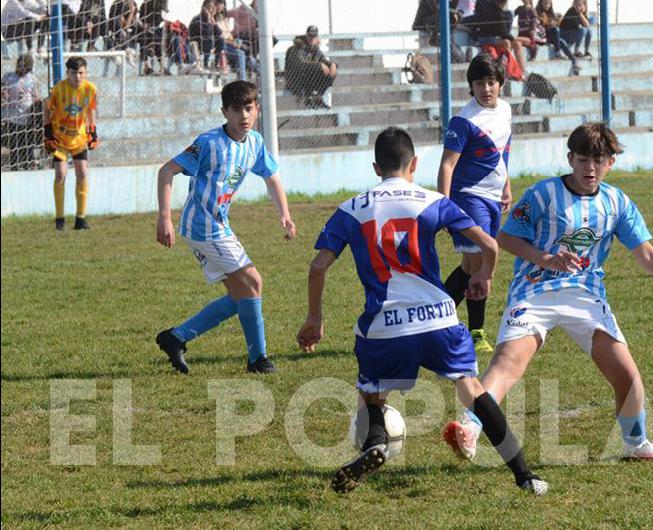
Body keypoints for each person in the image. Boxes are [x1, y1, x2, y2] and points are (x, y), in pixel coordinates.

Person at [444, 123, 653, 463]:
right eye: (583, 159)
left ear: (611, 161)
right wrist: (546, 259)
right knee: (509, 362)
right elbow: (506, 238)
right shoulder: (542, 194)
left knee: (626, 374)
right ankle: (470, 427)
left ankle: (635, 443)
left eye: (599, 160)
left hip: (585, 296)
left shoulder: (616, 203)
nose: (590, 168)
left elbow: (646, 254)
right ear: (570, 158)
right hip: (535, 291)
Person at [296, 126, 549, 495]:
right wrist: (482, 276)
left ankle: (375, 444)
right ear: (414, 164)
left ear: (375, 167)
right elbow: (489, 245)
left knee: (371, 396)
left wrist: (314, 319)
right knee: (472, 390)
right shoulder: (432, 201)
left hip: (384, 325)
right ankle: (525, 475)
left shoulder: (350, 209)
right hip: (438, 320)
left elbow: (318, 267)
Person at [154, 80, 296, 375]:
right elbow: (167, 170)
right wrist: (164, 217)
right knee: (253, 282)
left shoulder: (255, 142)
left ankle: (176, 337)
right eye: (235, 110)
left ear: (257, 109)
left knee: (241, 295)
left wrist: (284, 213)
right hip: (203, 227)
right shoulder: (209, 143)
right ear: (224, 112)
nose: (243, 116)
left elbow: (272, 177)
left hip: (218, 225)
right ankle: (258, 359)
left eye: (248, 109)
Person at [438, 53, 512, 356]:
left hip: (493, 197)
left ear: (500, 83)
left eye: (491, 82)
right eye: (479, 83)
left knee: (471, 266)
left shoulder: (505, 110)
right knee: (481, 261)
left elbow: (503, 150)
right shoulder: (464, 120)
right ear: (471, 86)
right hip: (467, 195)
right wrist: (443, 207)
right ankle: (475, 331)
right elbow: (447, 165)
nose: (486, 88)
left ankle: (434, 320)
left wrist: (506, 184)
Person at [44, 56, 98, 231]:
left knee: (82, 173)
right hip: (60, 139)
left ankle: (80, 219)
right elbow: (46, 110)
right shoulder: (58, 90)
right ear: (67, 73)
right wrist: (47, 133)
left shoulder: (90, 89)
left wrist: (93, 132)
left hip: (79, 138)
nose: (78, 77)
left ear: (86, 72)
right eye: (74, 73)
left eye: (81, 73)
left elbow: (90, 110)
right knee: (60, 174)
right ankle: (59, 220)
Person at [1, 54, 41, 170]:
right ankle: (14, 166)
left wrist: (33, 101)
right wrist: (4, 94)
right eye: (19, 66)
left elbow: (36, 96)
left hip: (25, 115)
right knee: (14, 144)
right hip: (10, 116)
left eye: (23, 67)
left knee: (25, 143)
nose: (20, 69)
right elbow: (2, 90)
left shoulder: (32, 79)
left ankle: (28, 164)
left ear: (28, 67)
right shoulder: (8, 77)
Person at [284, 25, 337, 109]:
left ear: (317, 37)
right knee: (319, 68)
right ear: (306, 36)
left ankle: (320, 98)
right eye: (310, 36)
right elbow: (300, 64)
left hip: (308, 81)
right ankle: (313, 98)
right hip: (296, 81)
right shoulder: (297, 47)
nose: (312, 39)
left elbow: (324, 60)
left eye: (314, 36)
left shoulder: (314, 49)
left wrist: (332, 65)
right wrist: (319, 65)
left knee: (332, 71)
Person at [470, 0, 526, 76]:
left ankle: (523, 72)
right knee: (506, 43)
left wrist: (516, 39)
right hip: (484, 37)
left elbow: (504, 33)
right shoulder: (491, 8)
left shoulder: (504, 13)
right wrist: (517, 38)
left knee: (518, 44)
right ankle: (506, 70)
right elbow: (503, 33)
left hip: (498, 36)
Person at [535, 0, 579, 75]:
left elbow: (553, 24)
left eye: (548, 3)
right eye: (545, 3)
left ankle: (574, 61)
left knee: (561, 41)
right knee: (555, 30)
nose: (547, 5)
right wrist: (549, 24)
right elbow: (539, 26)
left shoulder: (550, 13)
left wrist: (555, 22)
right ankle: (557, 52)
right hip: (540, 36)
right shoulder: (536, 12)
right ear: (541, 3)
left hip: (550, 36)